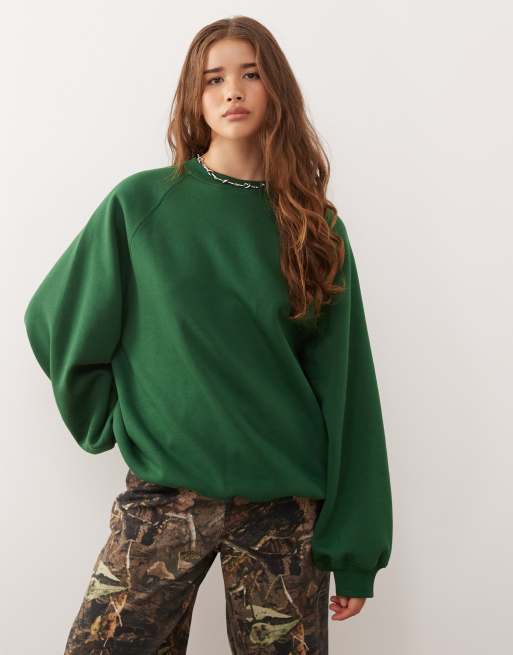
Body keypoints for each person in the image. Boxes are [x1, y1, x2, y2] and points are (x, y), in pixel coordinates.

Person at [23, 15, 393, 655]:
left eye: (251, 74)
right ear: (193, 96)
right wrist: (116, 421)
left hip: (282, 507)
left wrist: (355, 551)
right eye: (213, 78)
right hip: (164, 498)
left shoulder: (314, 228)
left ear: (276, 89)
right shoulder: (141, 205)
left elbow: (347, 390)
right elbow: (54, 319)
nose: (233, 91)